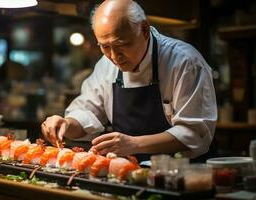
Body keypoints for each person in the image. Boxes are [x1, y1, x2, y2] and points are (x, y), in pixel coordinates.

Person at [41, 0, 217, 162]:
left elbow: (193, 133)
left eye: (122, 45)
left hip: (182, 173)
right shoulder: (106, 66)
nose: (115, 57)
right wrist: (66, 124)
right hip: (127, 173)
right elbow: (88, 112)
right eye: (105, 47)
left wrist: (134, 144)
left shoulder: (185, 62)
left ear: (145, 30)